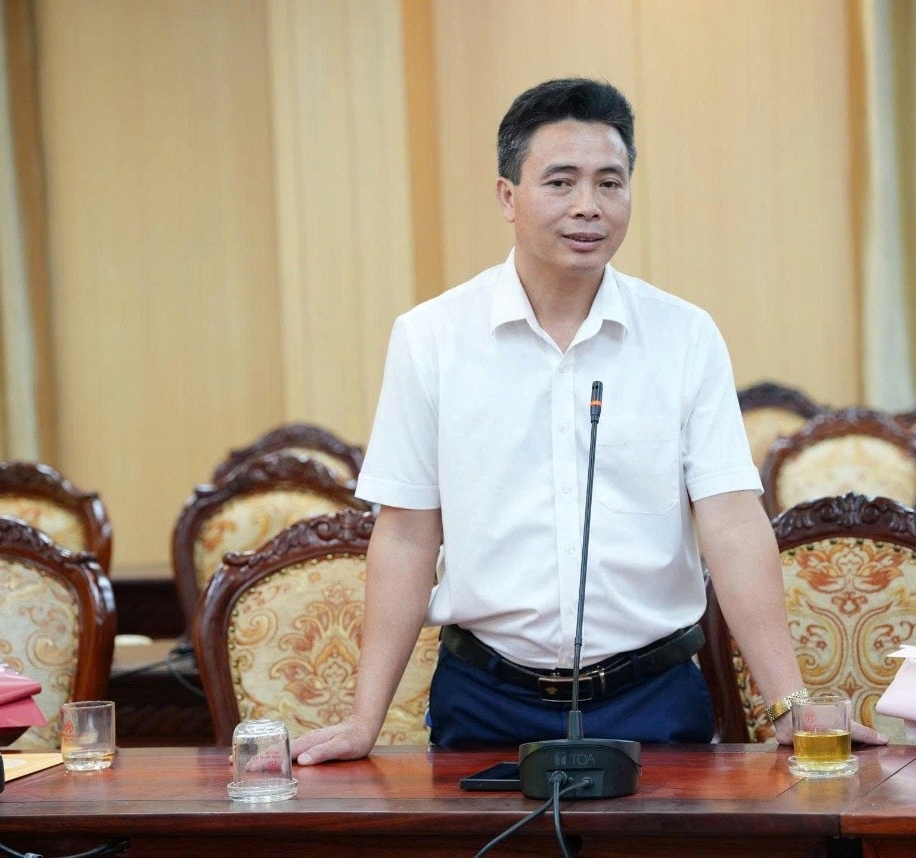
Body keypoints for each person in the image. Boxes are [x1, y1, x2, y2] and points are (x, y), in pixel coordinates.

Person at [291, 78, 883, 764]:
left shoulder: (683, 335)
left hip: (653, 695)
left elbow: (729, 522)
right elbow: (405, 535)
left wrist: (790, 704)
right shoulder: (432, 338)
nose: (588, 207)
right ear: (507, 196)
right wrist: (364, 720)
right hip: (484, 699)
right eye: (561, 182)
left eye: (610, 183)